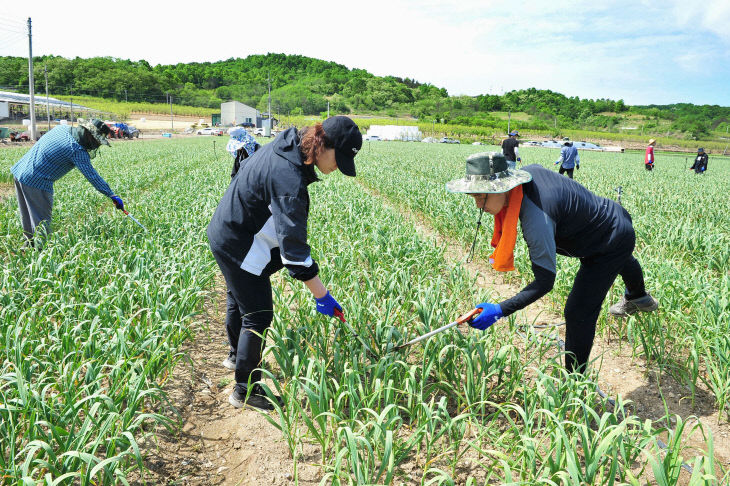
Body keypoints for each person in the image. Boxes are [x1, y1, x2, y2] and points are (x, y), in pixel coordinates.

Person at [446, 152, 658, 374]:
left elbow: (545, 282)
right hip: (610, 217)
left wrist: (500, 310)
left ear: (502, 187)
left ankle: (575, 381)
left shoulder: (537, 216)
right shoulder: (526, 177)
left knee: (578, 311)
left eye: (482, 196)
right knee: (622, 257)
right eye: (474, 197)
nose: (479, 205)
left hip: (608, 239)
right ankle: (639, 297)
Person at [207, 115, 362, 410]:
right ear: (322, 144)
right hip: (238, 242)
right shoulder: (289, 178)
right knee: (258, 313)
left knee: (238, 297)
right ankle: (245, 392)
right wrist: (323, 296)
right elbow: (294, 253)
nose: (338, 168)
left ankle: (233, 355)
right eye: (339, 159)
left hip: (227, 230)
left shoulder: (291, 142)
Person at [10, 119, 124, 247]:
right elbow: (93, 177)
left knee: (28, 217)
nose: (96, 144)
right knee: (42, 223)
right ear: (89, 135)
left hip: (21, 171)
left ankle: (28, 248)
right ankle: (39, 255)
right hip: (37, 181)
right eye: (97, 140)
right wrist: (111, 195)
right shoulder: (76, 150)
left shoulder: (62, 129)